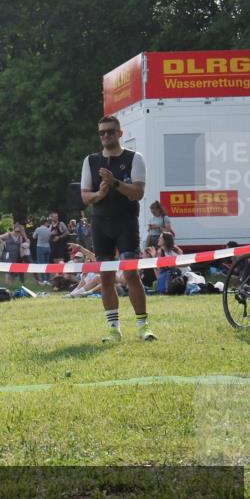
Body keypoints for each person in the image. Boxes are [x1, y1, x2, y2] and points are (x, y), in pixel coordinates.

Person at [80, 115, 156, 341]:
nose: (105, 135)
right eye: (101, 132)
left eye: (110, 131)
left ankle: (143, 326)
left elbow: (138, 193)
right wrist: (100, 194)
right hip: (100, 224)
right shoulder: (91, 161)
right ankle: (114, 329)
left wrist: (115, 183)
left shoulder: (134, 158)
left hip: (126, 222)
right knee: (106, 277)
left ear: (120, 133)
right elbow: (85, 197)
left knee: (131, 274)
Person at [32, 218, 52, 284]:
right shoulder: (49, 230)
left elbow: (34, 236)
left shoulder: (38, 229)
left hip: (40, 247)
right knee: (47, 264)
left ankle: (43, 280)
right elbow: (49, 238)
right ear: (46, 223)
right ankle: (48, 279)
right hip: (48, 247)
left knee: (41, 264)